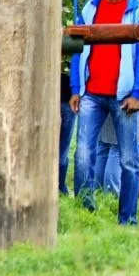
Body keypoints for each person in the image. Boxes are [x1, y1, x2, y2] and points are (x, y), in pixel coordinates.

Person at [69, 0, 139, 226]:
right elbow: (76, 49)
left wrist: (138, 94)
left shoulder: (138, 10)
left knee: (129, 160)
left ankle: (127, 219)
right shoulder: (90, 9)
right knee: (83, 155)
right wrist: (75, 88)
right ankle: (84, 214)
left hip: (123, 96)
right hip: (91, 93)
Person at [58, 67, 75, 195]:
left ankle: (60, 188)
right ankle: (59, 188)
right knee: (62, 151)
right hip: (67, 98)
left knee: (62, 150)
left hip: (67, 100)